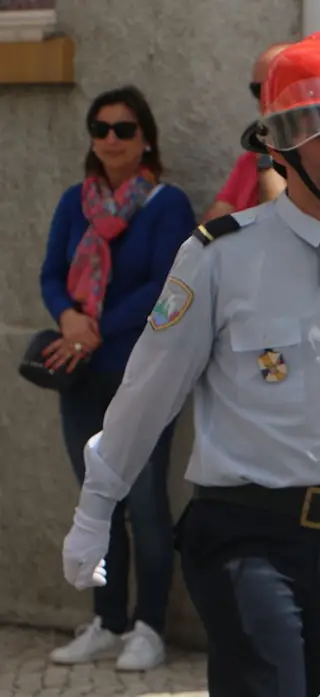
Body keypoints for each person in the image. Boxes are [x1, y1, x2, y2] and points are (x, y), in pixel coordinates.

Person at [59, 31, 320, 697]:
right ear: (279, 143)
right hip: (245, 535)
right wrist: (96, 504)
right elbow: (148, 391)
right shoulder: (219, 257)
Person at [39, 84, 194, 671]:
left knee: (146, 503)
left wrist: (96, 327)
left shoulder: (166, 205)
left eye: (123, 129)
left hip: (142, 376)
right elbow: (52, 274)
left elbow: (165, 284)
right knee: (95, 503)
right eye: (99, 128)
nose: (109, 139)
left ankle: (149, 626)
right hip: (80, 373)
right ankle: (106, 620)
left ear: (145, 137)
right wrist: (68, 318)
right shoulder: (73, 203)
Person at [201, 41, 320, 226]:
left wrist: (269, 163)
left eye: (277, 88)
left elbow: (289, 227)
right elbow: (216, 221)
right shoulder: (250, 159)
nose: (267, 98)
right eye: (259, 91)